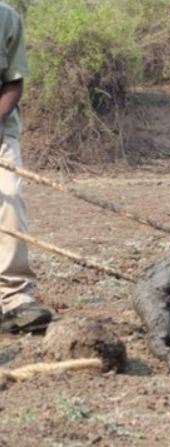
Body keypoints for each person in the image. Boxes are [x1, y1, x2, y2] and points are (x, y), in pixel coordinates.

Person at [0, 2, 51, 332]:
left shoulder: (6, 18)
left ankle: (15, 298)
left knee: (11, 196)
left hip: (1, 130)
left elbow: (13, 82)